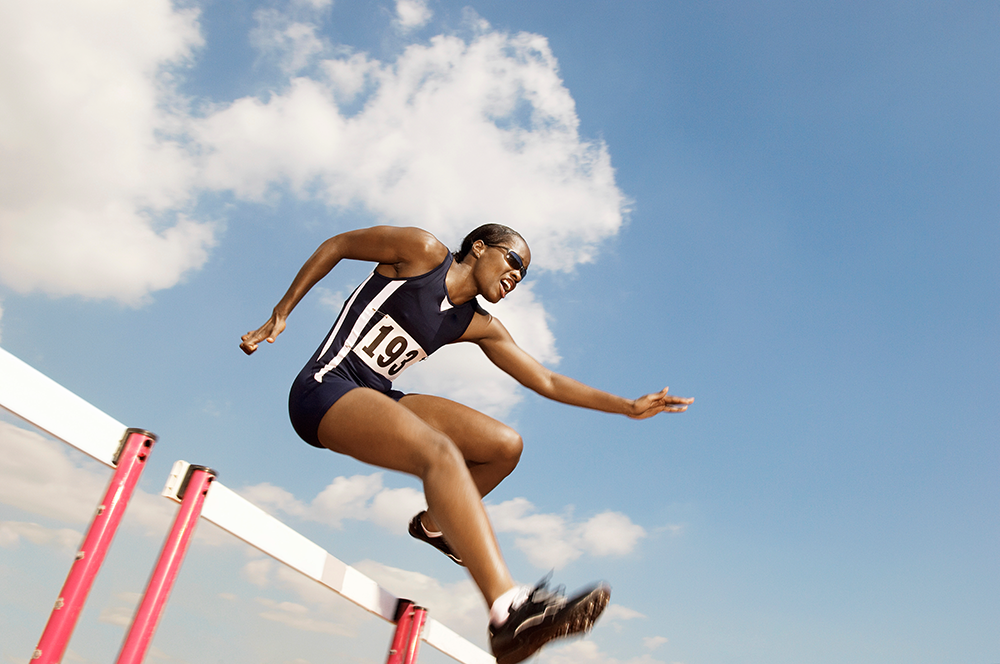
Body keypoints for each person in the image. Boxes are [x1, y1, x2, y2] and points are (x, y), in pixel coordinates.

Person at [241, 224, 692, 664]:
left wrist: (627, 407)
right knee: (439, 452)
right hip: (324, 389)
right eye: (514, 261)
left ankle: (435, 525)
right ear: (479, 247)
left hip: (376, 395)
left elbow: (546, 379)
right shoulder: (420, 252)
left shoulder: (478, 324)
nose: (516, 277)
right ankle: (507, 613)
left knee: (504, 445)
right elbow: (338, 244)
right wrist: (283, 310)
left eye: (523, 275)